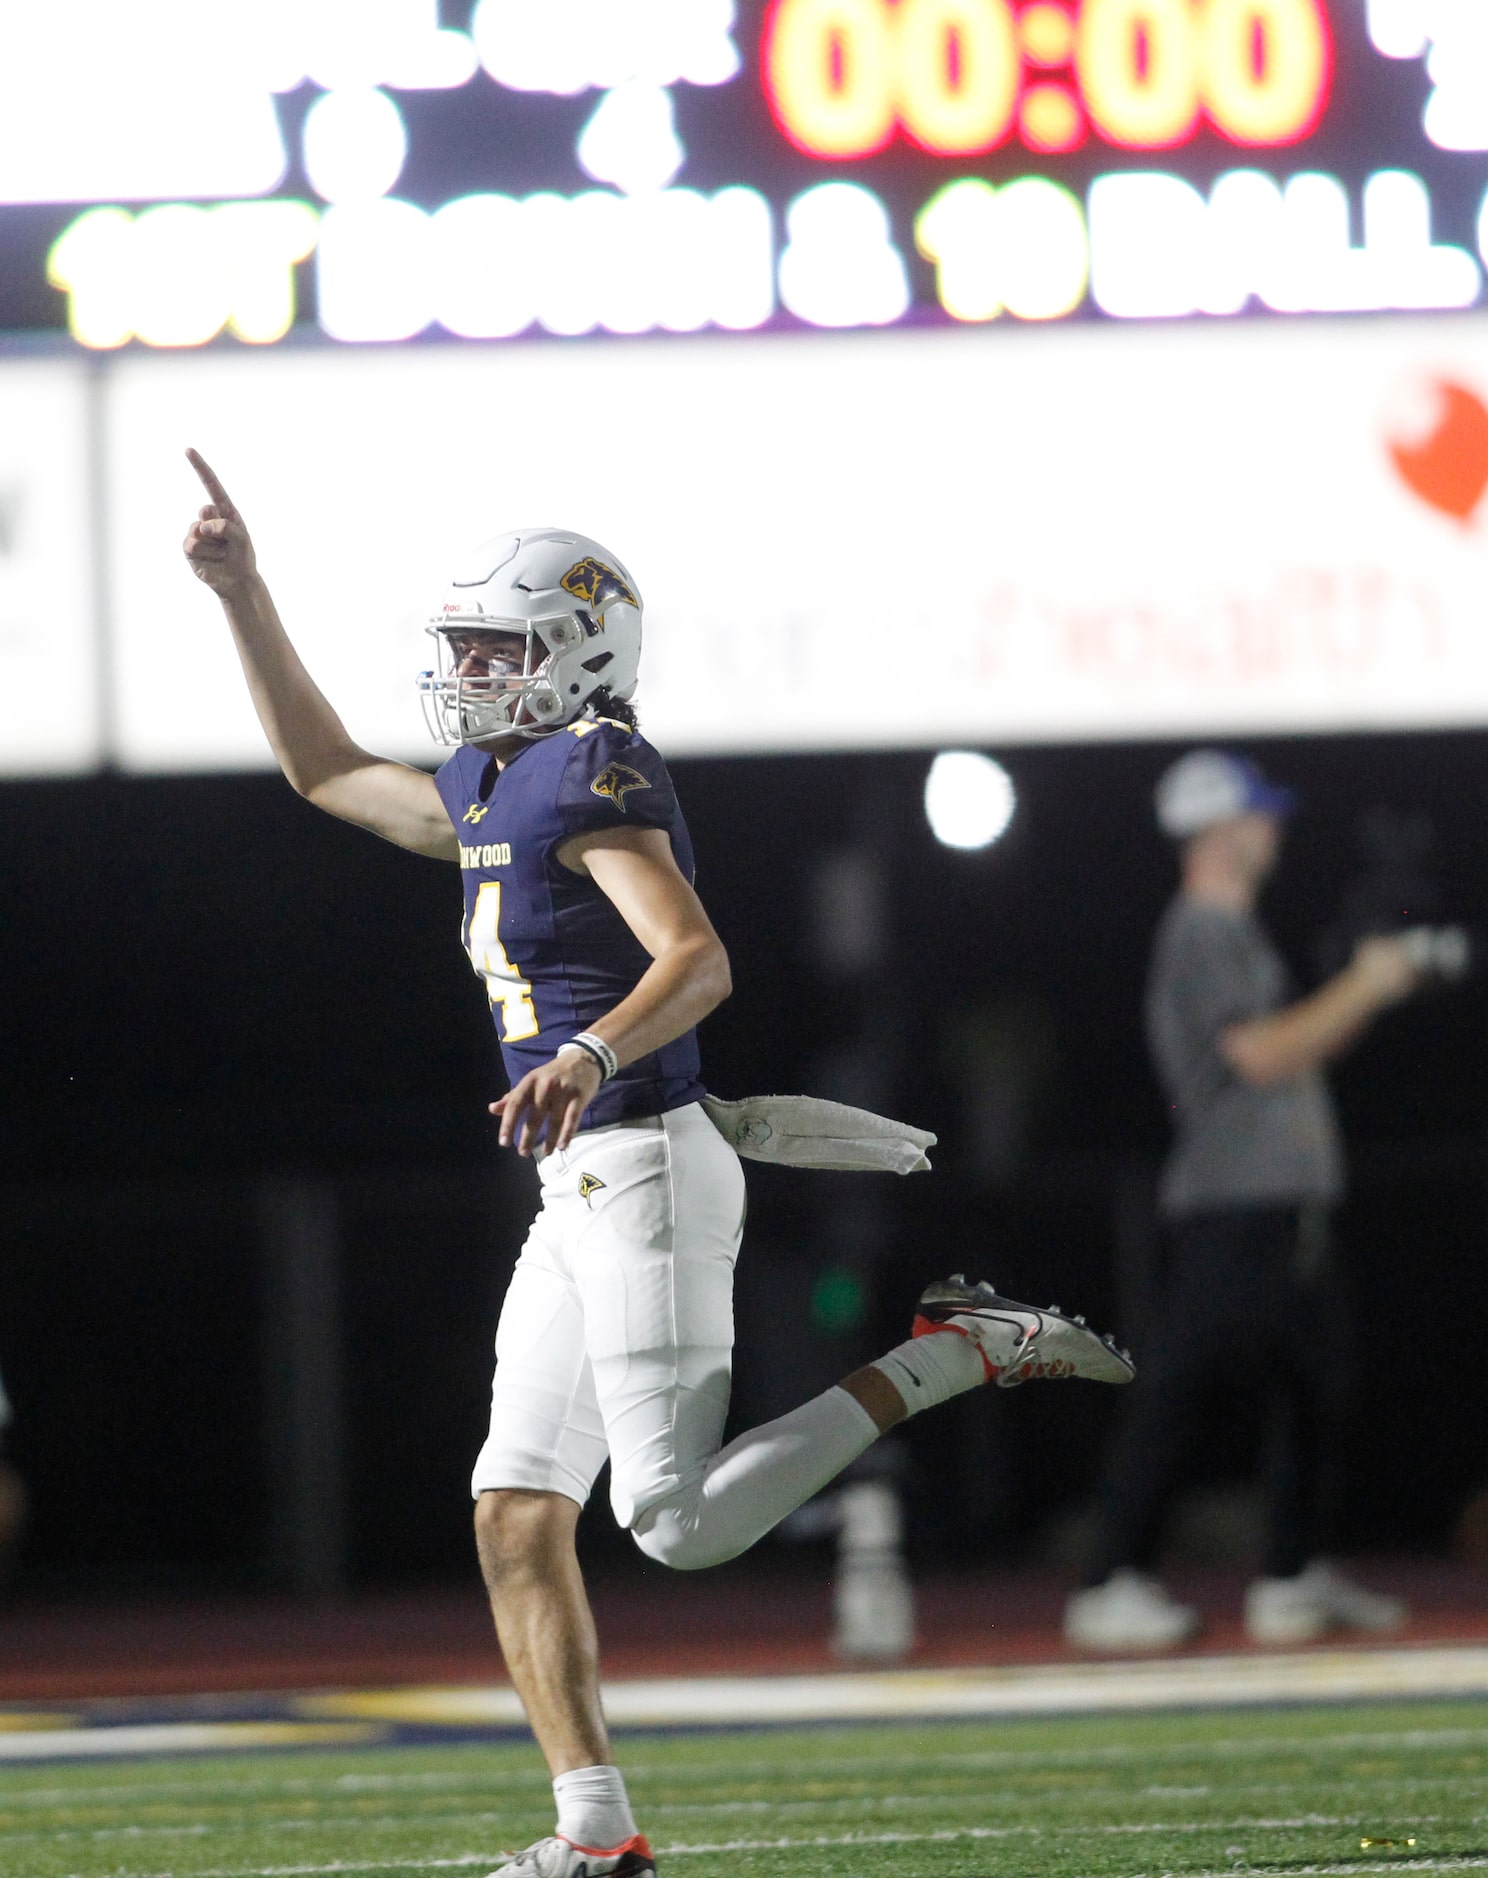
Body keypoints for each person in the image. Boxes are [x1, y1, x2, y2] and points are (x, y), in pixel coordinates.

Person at [182, 451, 1134, 1878]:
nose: (475, 674)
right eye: (468, 649)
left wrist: (587, 1054)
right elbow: (324, 768)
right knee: (515, 1512)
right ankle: (595, 1829)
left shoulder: (589, 765)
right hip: (581, 1182)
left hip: (643, 1164)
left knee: (675, 1524)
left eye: (500, 648)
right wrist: (244, 592)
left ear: (581, 651)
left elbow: (697, 958)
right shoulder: (504, 775)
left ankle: (956, 1352)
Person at [1064, 749, 1417, 1654]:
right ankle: (1110, 1580)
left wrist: (1362, 997)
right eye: (1260, 816)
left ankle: (1292, 1576)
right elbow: (1256, 1055)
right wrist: (1364, 985)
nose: (1275, 830)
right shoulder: (1201, 930)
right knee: (1180, 1388)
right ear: (1221, 829)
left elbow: (1284, 1049)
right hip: (1234, 1204)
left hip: (1281, 1200)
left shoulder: (1234, 930)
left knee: (1313, 1387)